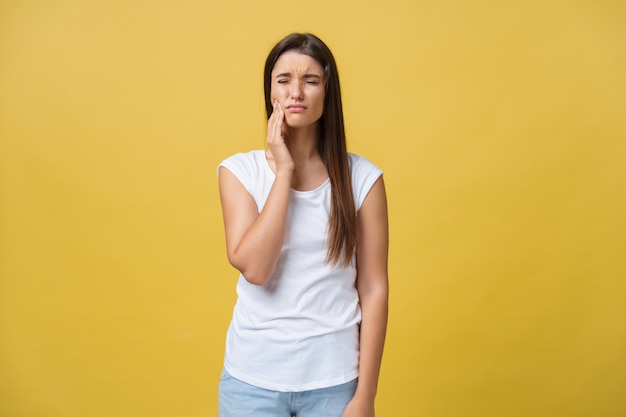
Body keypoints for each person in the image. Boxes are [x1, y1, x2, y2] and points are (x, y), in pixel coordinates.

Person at [217, 33, 388, 417]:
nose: (296, 91)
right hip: (251, 383)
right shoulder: (239, 172)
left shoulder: (362, 179)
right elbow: (256, 269)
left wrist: (365, 396)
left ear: (328, 93)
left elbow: (374, 288)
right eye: (284, 80)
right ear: (270, 92)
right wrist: (284, 173)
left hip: (335, 383)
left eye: (310, 81)